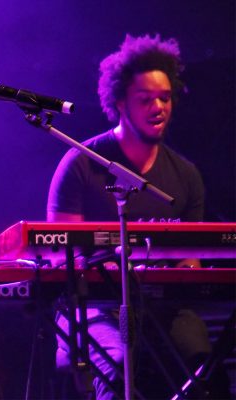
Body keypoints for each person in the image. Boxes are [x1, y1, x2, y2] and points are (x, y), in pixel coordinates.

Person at [47, 34, 230, 399]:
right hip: (92, 306)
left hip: (164, 306)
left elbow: (187, 263)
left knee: (208, 374)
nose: (158, 107)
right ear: (120, 103)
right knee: (117, 365)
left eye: (165, 98)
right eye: (145, 100)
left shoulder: (186, 175)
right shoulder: (82, 164)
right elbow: (59, 258)